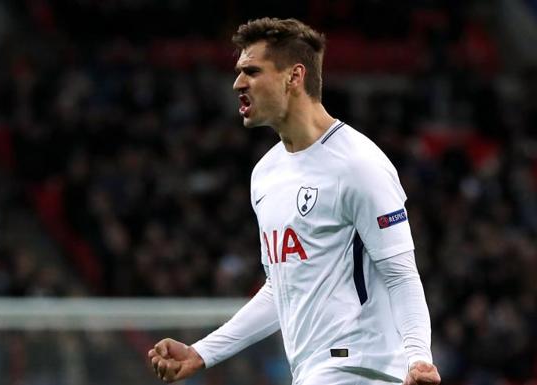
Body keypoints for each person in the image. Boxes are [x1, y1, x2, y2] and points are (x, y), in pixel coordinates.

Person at [148, 17, 441, 385]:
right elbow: (281, 288)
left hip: (361, 370)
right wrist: (203, 352)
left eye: (252, 71)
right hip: (312, 373)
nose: (238, 82)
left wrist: (418, 358)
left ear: (294, 76)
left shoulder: (358, 165)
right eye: (239, 71)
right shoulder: (266, 174)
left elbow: (400, 273)